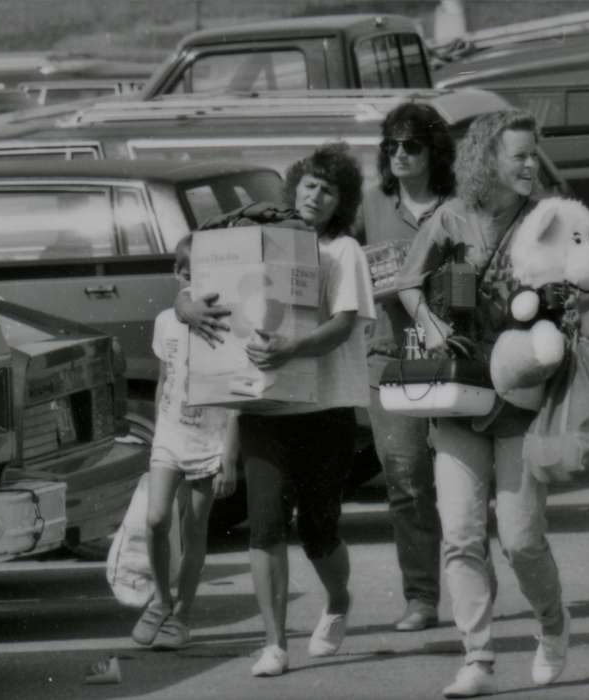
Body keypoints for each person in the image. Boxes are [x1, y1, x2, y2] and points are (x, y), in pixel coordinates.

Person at [177, 143, 376, 678]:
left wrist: (292, 348)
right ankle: (274, 643)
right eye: (309, 185)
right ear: (294, 189)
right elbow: (187, 289)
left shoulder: (342, 252)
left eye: (329, 189)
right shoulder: (258, 244)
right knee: (263, 526)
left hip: (325, 410)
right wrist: (189, 308)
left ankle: (338, 602)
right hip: (264, 408)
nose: (316, 195)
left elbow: (344, 323)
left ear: (343, 202)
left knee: (319, 530)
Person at [394, 109, 569, 698]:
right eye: (518, 154)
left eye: (533, 153)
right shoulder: (451, 215)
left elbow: (583, 282)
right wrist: (433, 327)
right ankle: (479, 657)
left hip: (521, 393)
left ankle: (552, 626)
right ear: (486, 159)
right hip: (460, 390)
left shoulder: (546, 217)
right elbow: (407, 283)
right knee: (462, 533)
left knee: (520, 540)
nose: (530, 164)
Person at [356, 102, 456, 632]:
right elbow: (327, 256)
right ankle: (421, 597)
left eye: (411, 145)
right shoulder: (370, 204)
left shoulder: (458, 205)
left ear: (433, 149)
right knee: (407, 481)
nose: (398, 154)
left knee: (464, 479)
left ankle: (472, 586)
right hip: (393, 357)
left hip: (455, 356)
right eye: (391, 145)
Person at [130, 234, 238, 651]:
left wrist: (229, 451)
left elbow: (237, 392)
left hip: (209, 437)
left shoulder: (228, 322)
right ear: (178, 274)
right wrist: (157, 434)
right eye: (188, 275)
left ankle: (183, 615)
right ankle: (159, 599)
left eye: (204, 276)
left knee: (195, 528)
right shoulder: (165, 320)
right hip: (171, 434)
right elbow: (164, 381)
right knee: (157, 519)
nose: (194, 285)